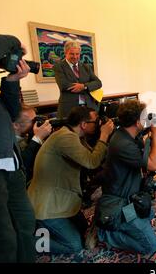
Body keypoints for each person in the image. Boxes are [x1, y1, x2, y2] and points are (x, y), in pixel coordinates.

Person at [27, 106, 114, 254]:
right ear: (83, 124)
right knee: (74, 246)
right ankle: (26, 240)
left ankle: (42, 229)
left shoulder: (72, 135)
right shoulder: (65, 137)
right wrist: (104, 135)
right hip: (46, 205)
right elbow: (92, 161)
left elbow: (93, 156)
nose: (98, 124)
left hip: (61, 199)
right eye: (95, 121)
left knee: (83, 230)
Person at [96, 100, 156, 255]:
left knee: (149, 213)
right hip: (121, 203)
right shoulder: (122, 144)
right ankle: (105, 233)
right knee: (150, 246)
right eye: (145, 117)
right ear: (138, 122)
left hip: (130, 195)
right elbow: (154, 165)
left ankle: (122, 223)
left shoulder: (128, 133)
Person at [0, 34, 36, 263]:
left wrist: (12, 80)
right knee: (3, 239)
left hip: (11, 167)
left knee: (26, 223)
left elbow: (12, 113)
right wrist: (15, 44)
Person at [54, 40, 102, 119]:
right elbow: (63, 85)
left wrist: (84, 86)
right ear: (65, 53)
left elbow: (98, 83)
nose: (75, 57)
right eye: (72, 54)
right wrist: (88, 86)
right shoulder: (59, 66)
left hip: (88, 107)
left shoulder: (86, 67)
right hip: (69, 109)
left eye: (77, 54)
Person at [13, 105, 52, 186]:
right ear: (16, 125)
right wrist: (37, 138)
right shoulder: (7, 141)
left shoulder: (27, 135)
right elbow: (22, 165)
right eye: (33, 121)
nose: (36, 123)